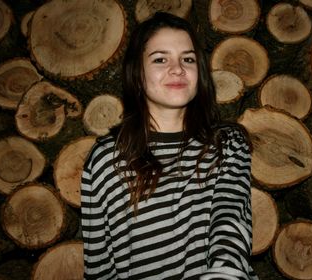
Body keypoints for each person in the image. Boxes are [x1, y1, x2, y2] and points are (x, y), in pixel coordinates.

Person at [81, 11, 258, 280]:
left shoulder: (227, 145)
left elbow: (230, 220)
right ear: (137, 73)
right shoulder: (106, 158)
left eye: (188, 59)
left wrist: (225, 273)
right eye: (161, 59)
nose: (178, 69)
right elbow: (99, 263)